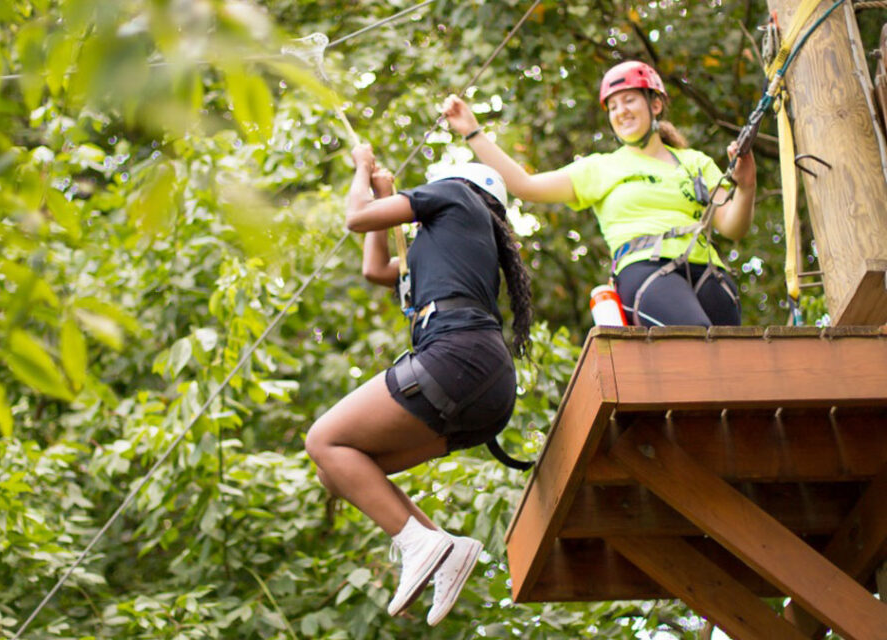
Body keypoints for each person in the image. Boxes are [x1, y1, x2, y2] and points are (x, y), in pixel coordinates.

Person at [304, 143, 533, 626]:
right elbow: (376, 269)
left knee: (321, 439)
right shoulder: (451, 248)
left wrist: (363, 173)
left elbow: (357, 218)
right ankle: (442, 549)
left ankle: (416, 541)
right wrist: (387, 194)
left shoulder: (454, 193)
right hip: (484, 387)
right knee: (338, 469)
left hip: (458, 358)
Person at [443, 60, 757, 327]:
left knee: (734, 357)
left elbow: (733, 227)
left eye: (630, 100)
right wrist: (474, 133)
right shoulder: (600, 168)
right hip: (647, 271)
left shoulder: (694, 163)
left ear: (655, 104)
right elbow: (526, 186)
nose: (621, 111)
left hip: (708, 271)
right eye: (614, 106)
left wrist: (746, 186)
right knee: (695, 335)